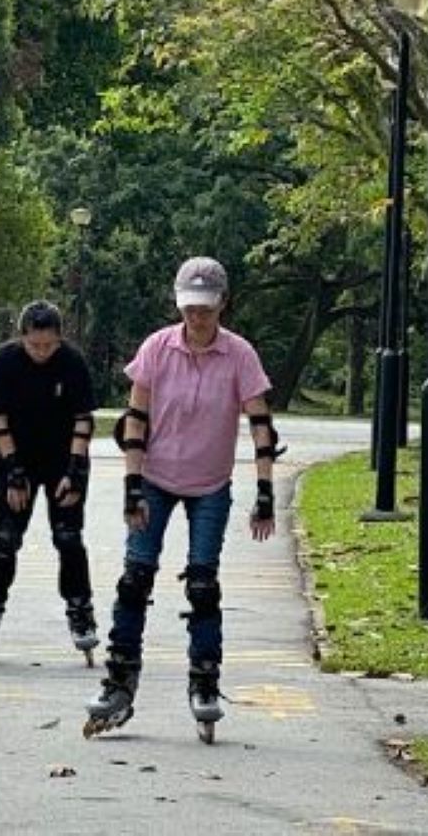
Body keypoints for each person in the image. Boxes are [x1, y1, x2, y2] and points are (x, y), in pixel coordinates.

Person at [83, 256, 284, 742]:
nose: (197, 318)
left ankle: (205, 681)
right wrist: (132, 487)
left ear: (222, 305)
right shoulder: (157, 347)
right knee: (135, 578)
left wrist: (264, 492)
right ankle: (119, 680)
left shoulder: (239, 355)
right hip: (154, 475)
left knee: (202, 584)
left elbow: (261, 425)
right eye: (190, 308)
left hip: (210, 483)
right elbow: (134, 419)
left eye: (207, 309)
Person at [0, 300, 99, 665]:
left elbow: (83, 418)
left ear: (59, 338)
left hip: (63, 457)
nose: (42, 352)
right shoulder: (8, 360)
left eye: (49, 345)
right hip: (18, 455)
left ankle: (80, 609)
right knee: (7, 537)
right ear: (23, 337)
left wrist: (74, 470)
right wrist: (12, 468)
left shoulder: (71, 362)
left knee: (68, 537)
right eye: (35, 345)